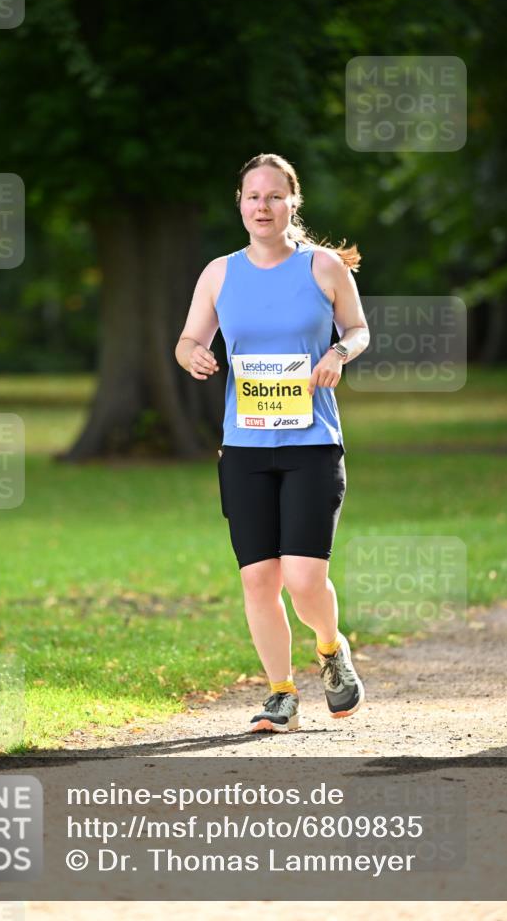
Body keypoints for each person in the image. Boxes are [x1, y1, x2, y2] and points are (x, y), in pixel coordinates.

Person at [175, 153, 370, 733]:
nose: (263, 206)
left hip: (313, 444)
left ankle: (331, 651)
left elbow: (357, 328)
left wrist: (338, 353)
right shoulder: (219, 273)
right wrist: (194, 356)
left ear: (293, 202)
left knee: (304, 578)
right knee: (259, 577)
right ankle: (281, 692)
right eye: (252, 196)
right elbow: (188, 339)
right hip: (245, 450)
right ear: (240, 204)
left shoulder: (323, 266)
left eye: (274, 196)